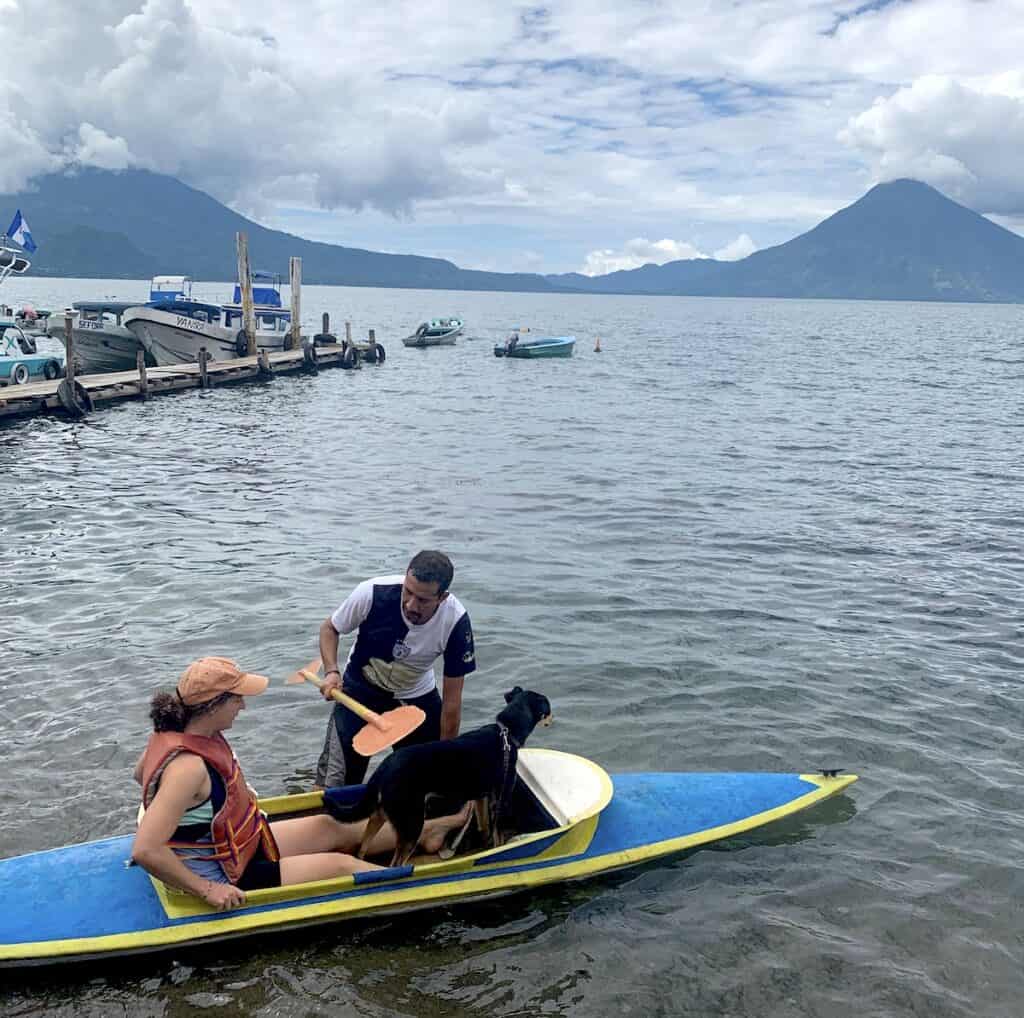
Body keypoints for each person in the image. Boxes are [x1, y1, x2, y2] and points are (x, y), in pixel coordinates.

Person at [132, 656, 470, 912]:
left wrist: (200, 810)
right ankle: (430, 884)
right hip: (224, 873)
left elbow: (141, 777)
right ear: (214, 705)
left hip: (241, 841)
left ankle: (429, 831)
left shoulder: (177, 733)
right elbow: (146, 850)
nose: (243, 705)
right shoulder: (187, 768)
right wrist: (208, 890)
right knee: (341, 866)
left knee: (329, 826)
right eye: (237, 699)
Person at [316, 549, 476, 787]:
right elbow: (330, 629)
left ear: (442, 598)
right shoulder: (372, 593)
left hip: (415, 697)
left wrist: (445, 755)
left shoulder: (455, 622)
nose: (411, 605)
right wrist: (331, 671)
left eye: (422, 600)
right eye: (407, 592)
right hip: (360, 690)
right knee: (336, 784)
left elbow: (451, 706)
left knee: (424, 780)